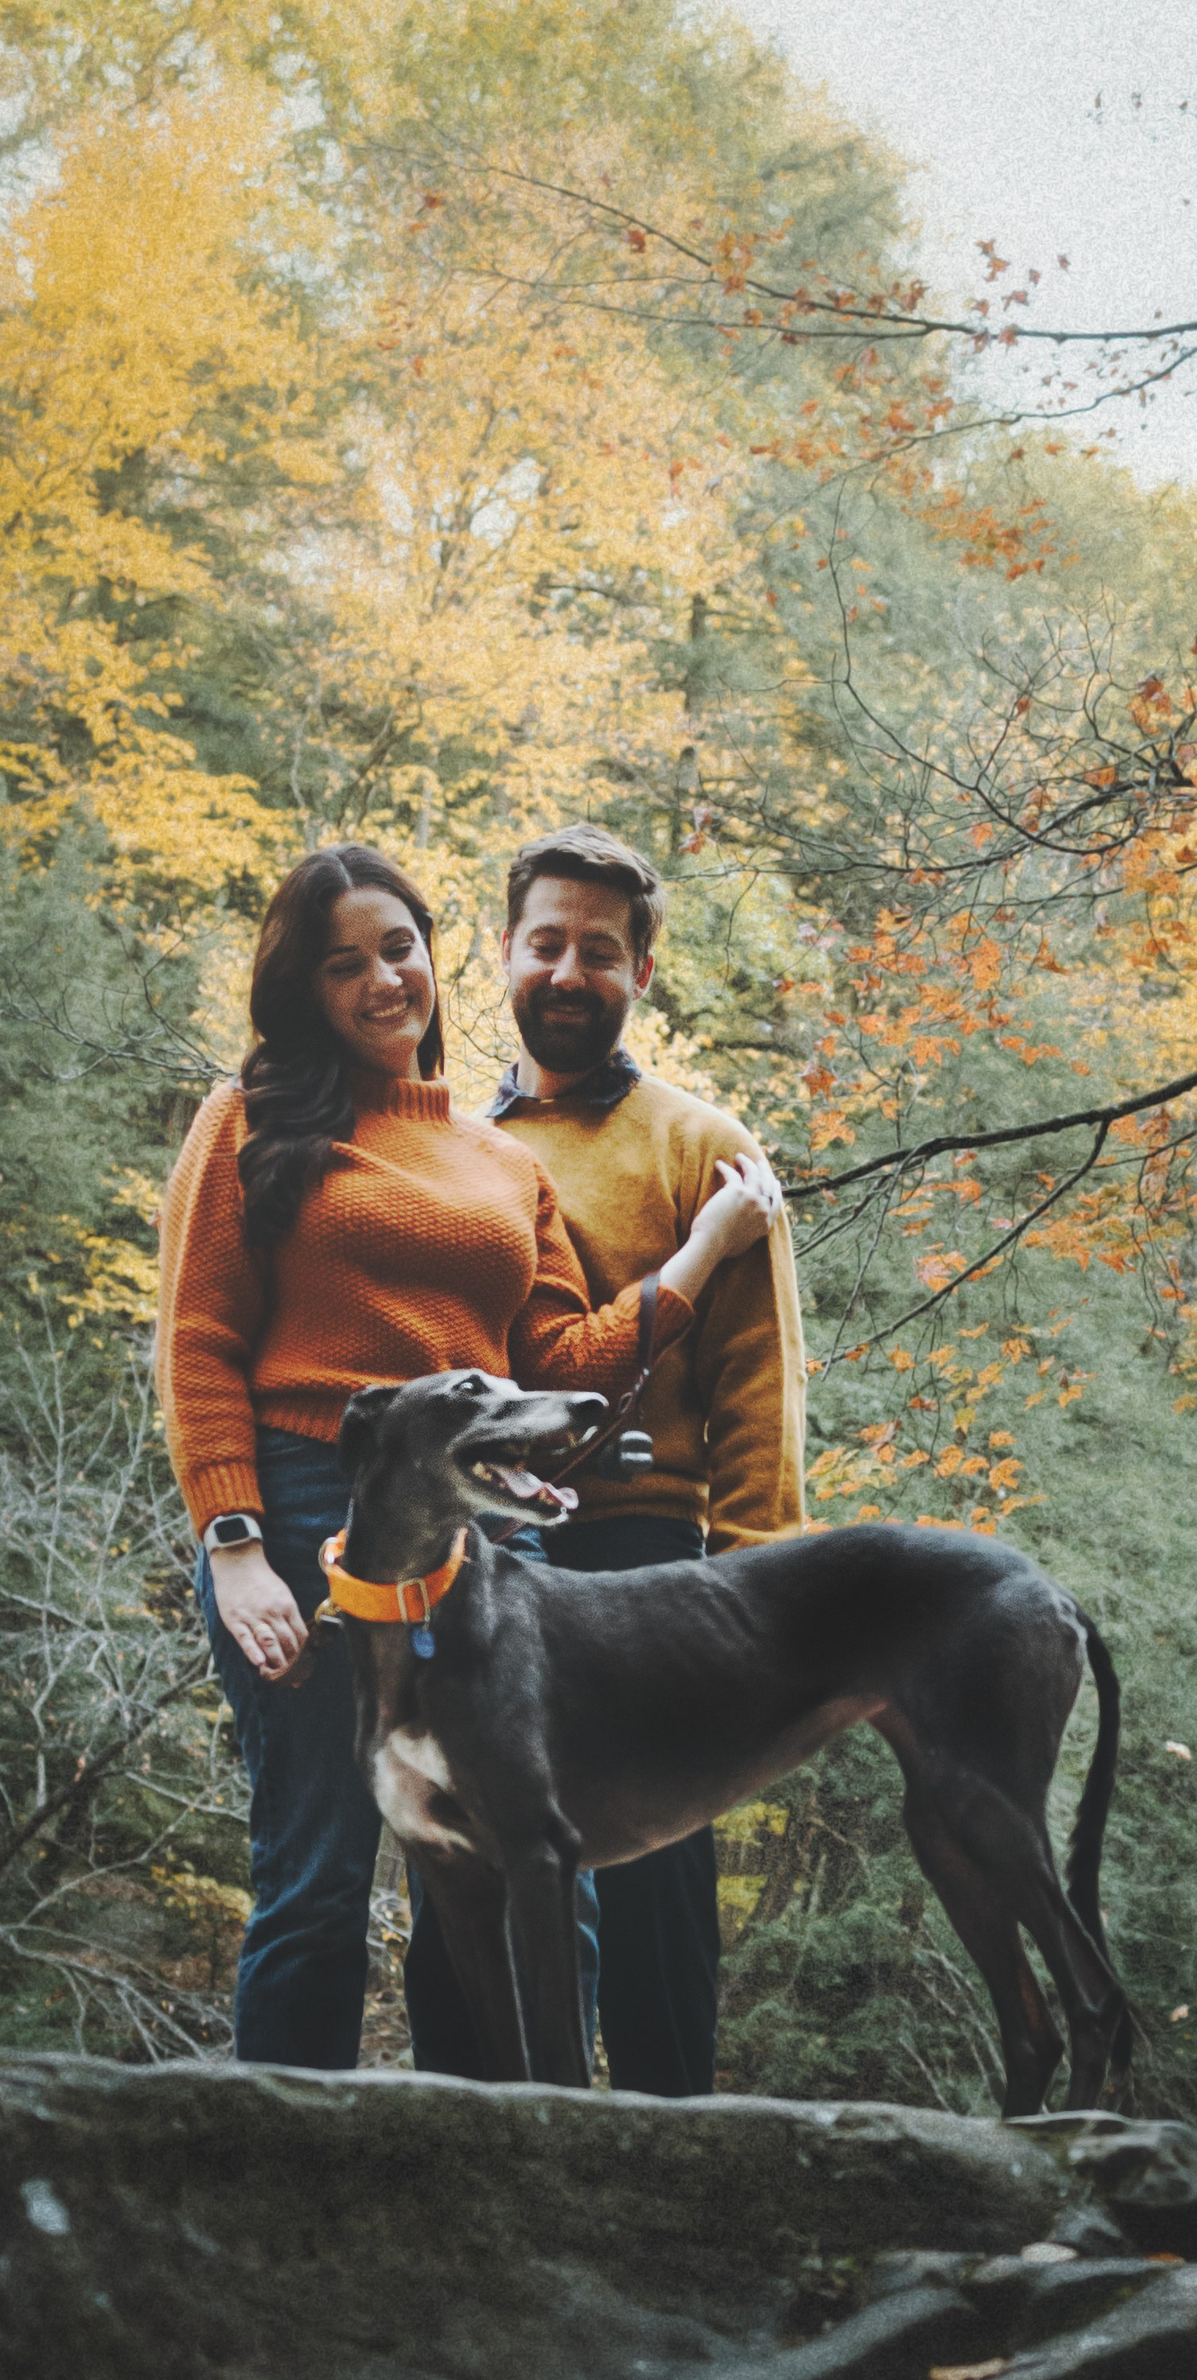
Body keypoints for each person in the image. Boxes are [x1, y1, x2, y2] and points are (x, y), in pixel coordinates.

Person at [156, 838, 779, 2073]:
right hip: (307, 1515)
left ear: (438, 958)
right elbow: (198, 1337)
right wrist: (233, 1545)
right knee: (318, 1877)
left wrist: (701, 1251)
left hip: (488, 1538)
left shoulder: (502, 1159)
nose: (384, 980)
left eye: (400, 948)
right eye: (346, 963)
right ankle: (287, 2190)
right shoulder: (251, 1118)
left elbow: (557, 1368)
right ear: (305, 986)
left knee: (543, 1872)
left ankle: (535, 2172)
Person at [486, 822, 807, 2096]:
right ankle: (482, 2130)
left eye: (600, 952)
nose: (569, 972)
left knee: (662, 1873)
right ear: (503, 951)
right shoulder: (456, 1150)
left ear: (643, 972)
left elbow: (758, 1385)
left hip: (649, 1556)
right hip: (492, 1551)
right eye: (546, 942)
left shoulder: (702, 1147)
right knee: (488, 1854)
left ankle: (677, 2152)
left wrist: (760, 1596)